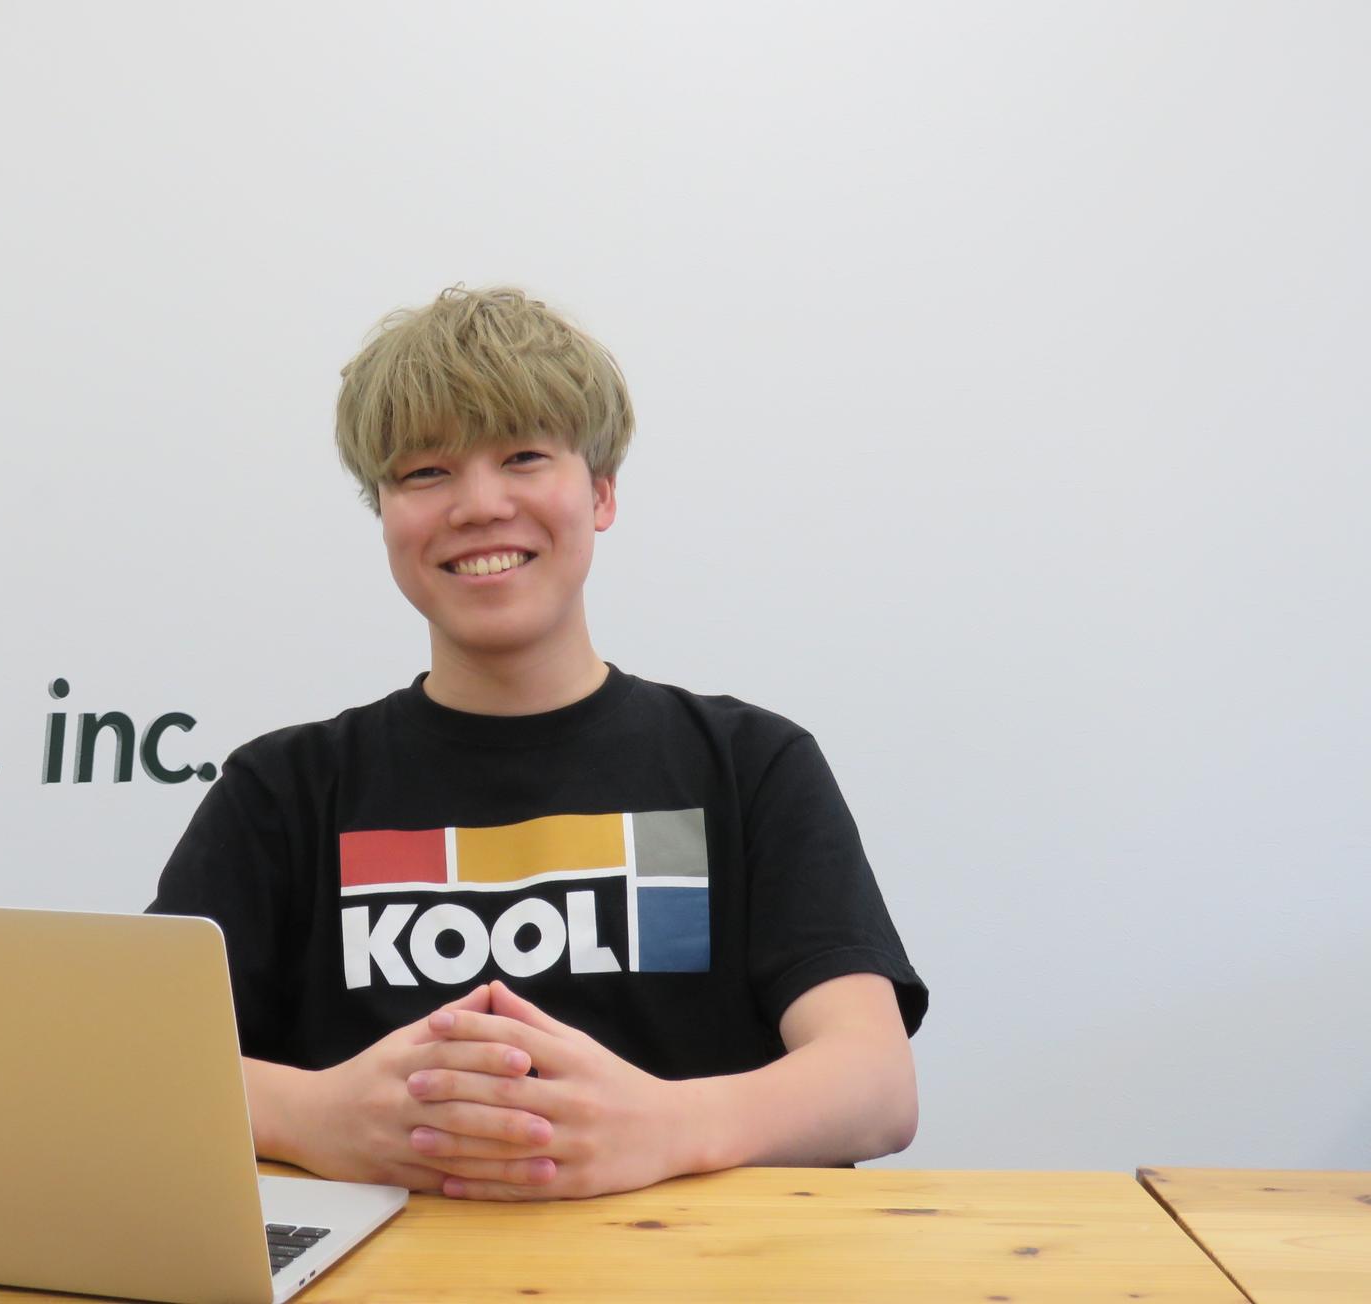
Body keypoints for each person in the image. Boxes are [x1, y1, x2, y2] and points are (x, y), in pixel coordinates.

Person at [148, 286, 927, 1201]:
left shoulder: (750, 763)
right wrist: (312, 1115)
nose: (479, 506)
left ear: (601, 493)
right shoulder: (282, 790)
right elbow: (133, 1069)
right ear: (384, 515)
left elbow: (875, 1085)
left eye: (523, 457)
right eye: (425, 472)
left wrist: (665, 1127)